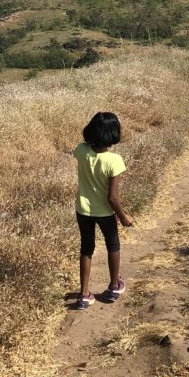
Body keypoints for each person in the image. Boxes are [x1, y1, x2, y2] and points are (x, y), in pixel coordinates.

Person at [72, 111, 133, 310]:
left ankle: (83, 295)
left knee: (86, 248)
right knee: (113, 245)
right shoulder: (114, 160)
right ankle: (114, 286)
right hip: (106, 213)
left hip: (83, 210)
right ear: (113, 134)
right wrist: (123, 217)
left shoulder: (81, 151)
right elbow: (112, 197)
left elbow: (83, 147)